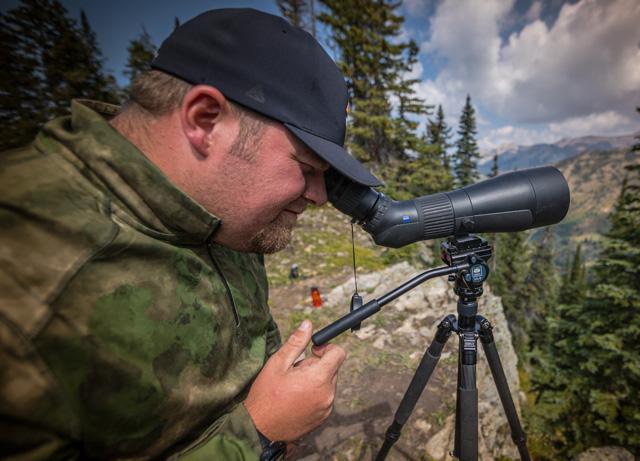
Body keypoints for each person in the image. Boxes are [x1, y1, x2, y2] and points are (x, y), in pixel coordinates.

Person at [0, 8, 382, 460]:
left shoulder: (222, 211)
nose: (320, 197)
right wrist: (257, 435)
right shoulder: (25, 282)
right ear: (204, 120)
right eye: (305, 168)